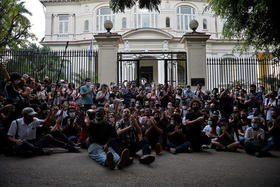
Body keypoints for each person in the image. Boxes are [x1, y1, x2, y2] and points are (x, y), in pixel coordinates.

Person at [7, 107, 79, 156]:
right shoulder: (15, 122)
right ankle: (41, 151)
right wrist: (16, 141)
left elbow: (45, 122)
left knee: (49, 137)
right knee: (24, 144)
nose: (32, 117)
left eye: (33, 115)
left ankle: (70, 147)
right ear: (24, 115)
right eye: (30, 116)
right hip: (22, 143)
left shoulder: (34, 120)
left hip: (34, 142)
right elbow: (9, 137)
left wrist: (51, 113)